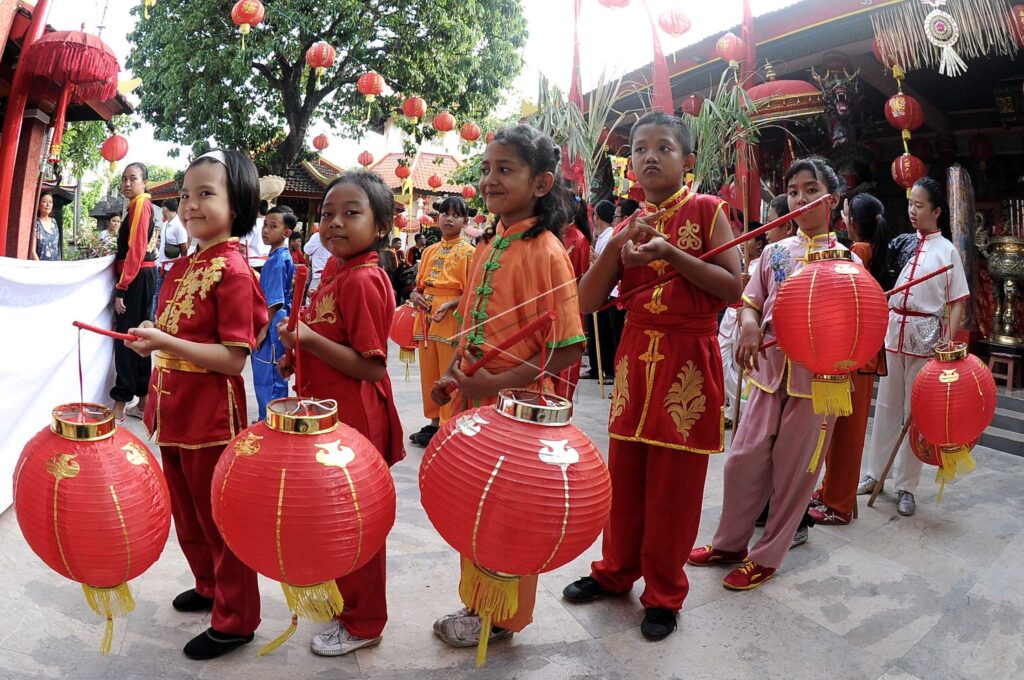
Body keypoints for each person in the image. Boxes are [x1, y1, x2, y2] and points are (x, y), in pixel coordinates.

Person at [561, 111, 742, 640]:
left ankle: (664, 592)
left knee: (675, 486)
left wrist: (670, 253)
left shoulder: (708, 210)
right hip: (636, 358)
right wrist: (618, 249)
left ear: (688, 161)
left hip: (688, 358)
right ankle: (615, 572)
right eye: (640, 149)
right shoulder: (626, 225)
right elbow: (586, 301)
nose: (649, 157)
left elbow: (733, 288)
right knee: (625, 476)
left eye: (664, 147)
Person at [431, 124, 585, 650]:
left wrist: (498, 381)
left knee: (507, 514)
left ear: (541, 183)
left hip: (515, 410)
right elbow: (472, 331)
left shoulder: (547, 252)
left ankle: (500, 617)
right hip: (475, 403)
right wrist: (454, 375)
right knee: (473, 506)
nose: (490, 179)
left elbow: (566, 348)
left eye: (505, 169)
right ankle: (477, 603)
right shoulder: (487, 245)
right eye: (486, 169)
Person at [126, 149, 267, 659]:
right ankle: (208, 586)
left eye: (206, 193)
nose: (190, 205)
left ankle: (237, 619)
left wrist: (164, 342)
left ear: (239, 205)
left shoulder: (234, 272)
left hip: (210, 414)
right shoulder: (185, 265)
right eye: (186, 194)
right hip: (173, 409)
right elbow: (176, 333)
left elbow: (232, 359)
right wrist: (153, 337)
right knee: (187, 514)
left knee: (218, 519)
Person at [689, 156, 850, 590]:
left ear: (832, 200)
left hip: (818, 383)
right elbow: (751, 300)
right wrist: (747, 325)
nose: (800, 199)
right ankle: (729, 543)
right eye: (794, 191)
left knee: (795, 474)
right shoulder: (774, 252)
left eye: (811, 190)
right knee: (742, 461)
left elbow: (854, 324)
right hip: (768, 371)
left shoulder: (846, 262)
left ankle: (767, 556)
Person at [277, 171, 404, 657]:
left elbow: (371, 367)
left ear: (381, 225)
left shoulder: (363, 280)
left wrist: (309, 341)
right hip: (329, 416)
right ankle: (345, 603)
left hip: (355, 418)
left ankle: (364, 620)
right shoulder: (336, 271)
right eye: (328, 213)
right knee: (336, 514)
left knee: (357, 520)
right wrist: (298, 355)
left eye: (351, 213)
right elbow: (330, 338)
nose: (334, 222)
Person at [858, 177, 969, 516]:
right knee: (886, 407)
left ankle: (906, 486)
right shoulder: (904, 244)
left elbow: (958, 300)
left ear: (936, 211)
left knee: (913, 414)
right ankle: (874, 473)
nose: (913, 211)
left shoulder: (947, 251)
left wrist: (948, 339)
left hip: (926, 338)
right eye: (911, 204)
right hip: (895, 332)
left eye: (920, 206)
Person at [805, 194, 890, 525]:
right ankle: (833, 491)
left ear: (851, 222)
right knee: (839, 429)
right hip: (859, 353)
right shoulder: (869, 250)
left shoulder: (857, 253)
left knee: (844, 433)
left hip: (853, 355)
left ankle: (839, 505)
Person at [408, 196, 475, 447]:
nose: (449, 219)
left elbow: (472, 292)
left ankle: (448, 425)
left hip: (451, 317)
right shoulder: (429, 251)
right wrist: (414, 295)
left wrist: (451, 303)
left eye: (456, 215)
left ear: (465, 222)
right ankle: (434, 422)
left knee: (448, 372)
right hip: (426, 315)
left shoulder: (470, 253)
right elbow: (418, 286)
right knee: (429, 373)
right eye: (445, 214)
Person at [111, 163, 158, 423]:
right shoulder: (138, 205)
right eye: (124, 179)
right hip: (143, 275)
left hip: (136, 277)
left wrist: (122, 286)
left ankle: (119, 406)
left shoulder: (141, 204)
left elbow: (136, 249)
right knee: (141, 335)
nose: (127, 184)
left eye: (133, 178)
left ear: (144, 182)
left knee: (126, 338)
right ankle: (143, 402)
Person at [252, 205, 296, 420]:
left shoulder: (278, 260)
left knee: (269, 378)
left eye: (273, 226)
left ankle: (270, 421)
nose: (266, 230)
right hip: (274, 324)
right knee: (268, 377)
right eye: (265, 225)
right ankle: (268, 419)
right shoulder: (276, 257)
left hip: (272, 327)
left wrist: (262, 330)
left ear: (286, 232)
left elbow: (275, 301)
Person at [558, 200, 591, 399]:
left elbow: (582, 277)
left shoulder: (579, 239)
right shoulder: (551, 234)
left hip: (569, 307)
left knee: (566, 366)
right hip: (547, 307)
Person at [584, 199, 619, 381]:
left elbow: (610, 263)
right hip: (599, 289)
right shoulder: (600, 236)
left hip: (610, 291)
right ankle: (596, 368)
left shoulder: (612, 235)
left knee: (606, 334)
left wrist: (597, 258)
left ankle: (609, 370)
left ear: (598, 217)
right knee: (595, 330)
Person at [154, 199, 188, 319]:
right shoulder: (166, 224)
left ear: (165, 209)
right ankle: (155, 318)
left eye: (162, 209)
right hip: (161, 265)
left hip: (172, 267)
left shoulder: (179, 226)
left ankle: (164, 318)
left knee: (168, 295)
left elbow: (184, 248)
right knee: (157, 294)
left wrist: (181, 266)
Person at [240, 199, 270, 271]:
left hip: (253, 264)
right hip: (267, 264)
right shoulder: (270, 225)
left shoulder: (252, 224)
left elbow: (242, 248)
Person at [29, 192, 60, 261]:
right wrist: (40, 266)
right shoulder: (36, 224)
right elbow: (32, 251)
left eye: (50, 202)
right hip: (40, 265)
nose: (48, 204)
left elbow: (57, 247)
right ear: (38, 205)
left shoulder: (54, 222)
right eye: (44, 201)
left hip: (55, 265)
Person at [304, 223, 331, 294]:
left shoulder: (317, 236)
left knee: (311, 297)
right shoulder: (335, 237)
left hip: (319, 274)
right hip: (331, 275)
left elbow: (307, 250)